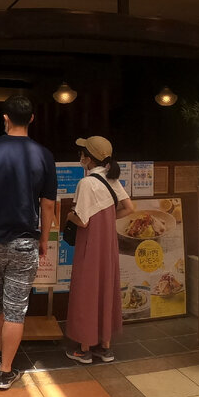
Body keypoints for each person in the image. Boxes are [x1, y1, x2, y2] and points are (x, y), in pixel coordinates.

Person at [0, 95, 57, 390]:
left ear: (5, 118)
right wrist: (44, 239)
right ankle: (5, 370)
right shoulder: (44, 155)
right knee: (16, 308)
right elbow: (48, 206)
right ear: (31, 119)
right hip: (25, 243)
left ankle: (3, 352)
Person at [64, 136, 135, 364]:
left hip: (90, 244)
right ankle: (105, 347)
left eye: (82, 154)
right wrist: (107, 219)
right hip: (108, 244)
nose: (80, 158)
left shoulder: (86, 183)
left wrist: (68, 216)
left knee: (86, 290)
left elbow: (82, 221)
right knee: (106, 287)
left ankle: (84, 349)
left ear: (88, 158)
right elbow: (129, 208)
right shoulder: (112, 179)